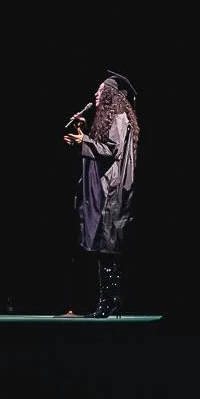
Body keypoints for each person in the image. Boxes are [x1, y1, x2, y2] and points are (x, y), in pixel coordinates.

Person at [63, 72, 138, 317]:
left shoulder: (118, 116)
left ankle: (110, 301)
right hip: (107, 188)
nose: (96, 94)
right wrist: (83, 134)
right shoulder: (113, 117)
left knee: (107, 248)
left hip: (111, 190)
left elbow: (111, 150)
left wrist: (84, 141)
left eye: (101, 90)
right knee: (103, 249)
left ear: (111, 95)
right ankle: (109, 300)